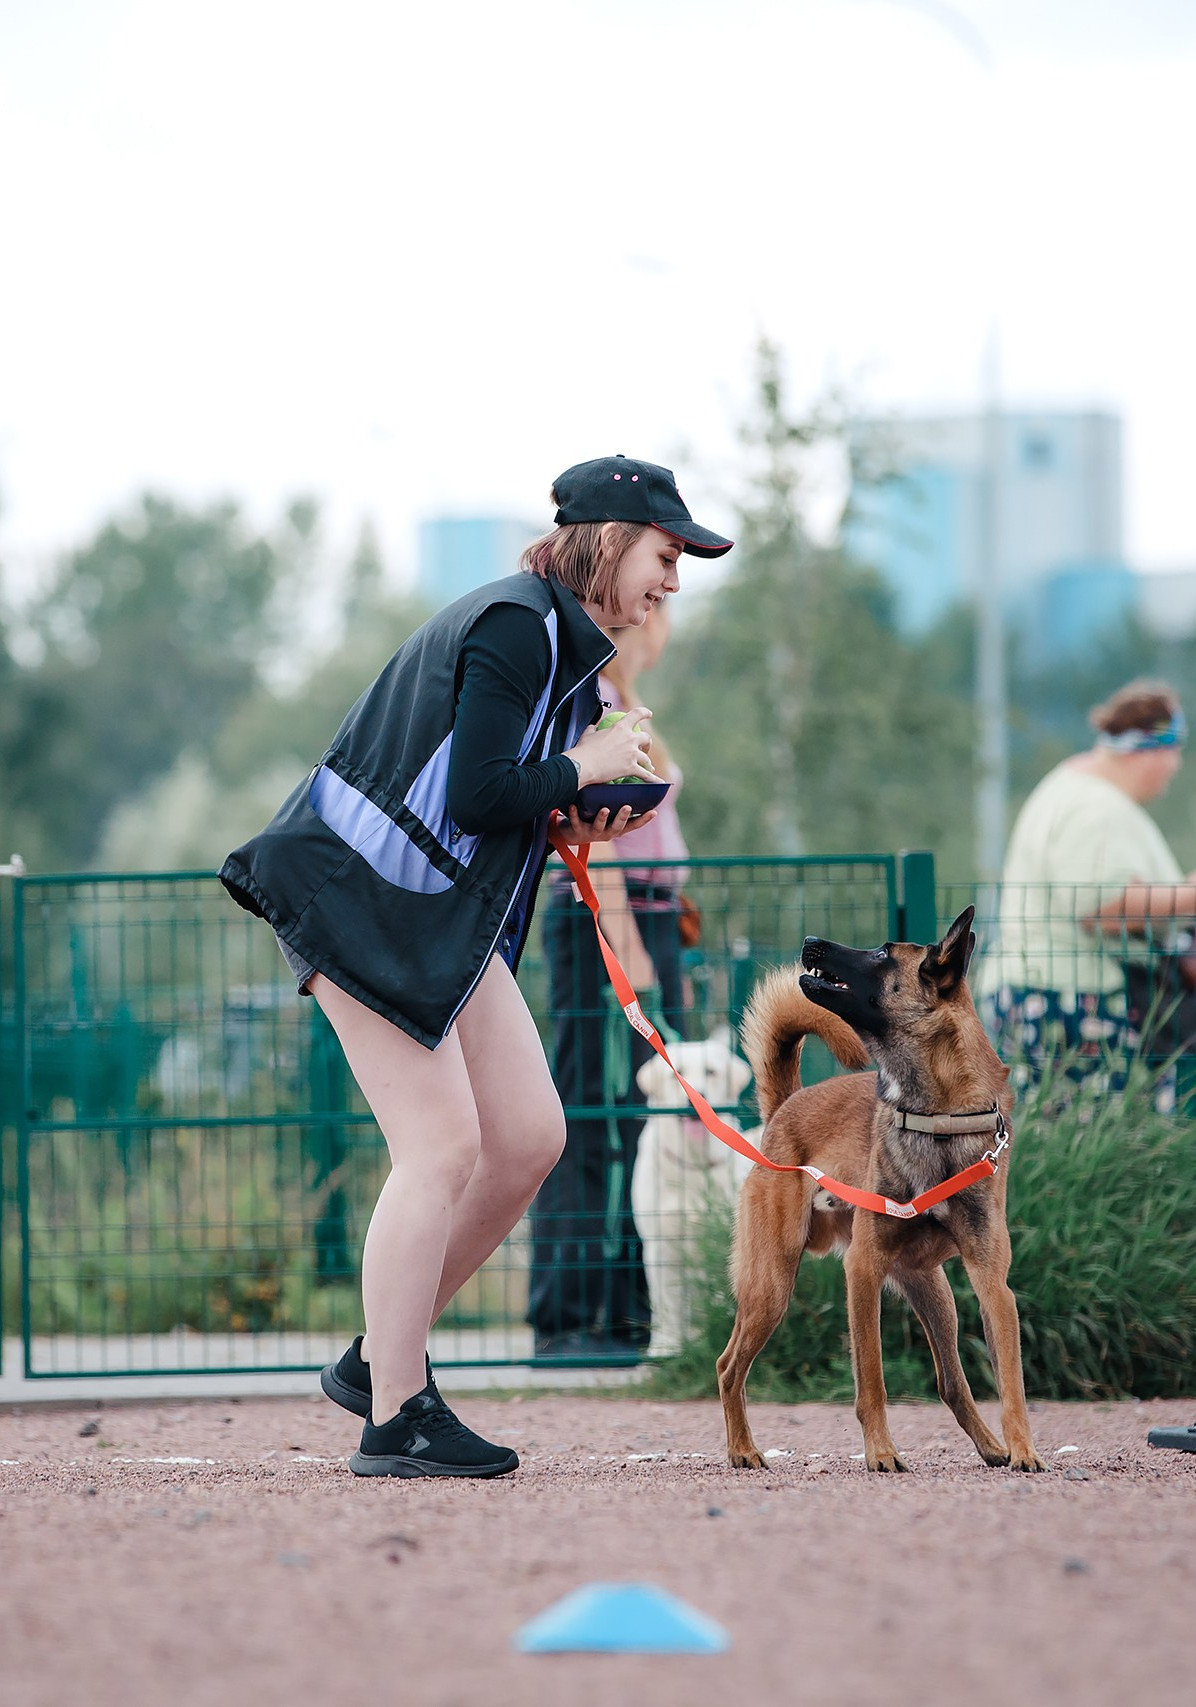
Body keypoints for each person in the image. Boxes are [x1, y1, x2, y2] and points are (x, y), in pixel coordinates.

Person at [221, 454, 731, 1478]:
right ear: (608, 540)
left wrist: (575, 817)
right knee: (441, 1147)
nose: (674, 581)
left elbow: (502, 801)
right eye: (666, 555)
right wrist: (581, 769)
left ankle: (380, 1358)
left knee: (531, 1137)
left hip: (430, 919)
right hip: (356, 902)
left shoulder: (562, 648)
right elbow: (472, 795)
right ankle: (396, 1418)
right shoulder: (516, 625)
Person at [529, 597, 691, 1360]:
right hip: (609, 919)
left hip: (650, 918)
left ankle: (629, 1307)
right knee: (588, 1108)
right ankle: (570, 1314)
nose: (665, 619)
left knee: (642, 1114)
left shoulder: (623, 706)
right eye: (658, 606)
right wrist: (626, 944)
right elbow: (602, 839)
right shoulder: (601, 709)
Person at [975, 681, 1187, 1094]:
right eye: (1173, 748)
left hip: (1042, 993)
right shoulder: (1095, 806)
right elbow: (1102, 906)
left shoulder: (1076, 787)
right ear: (1148, 748)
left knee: (1039, 1136)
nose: (1176, 764)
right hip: (1067, 999)